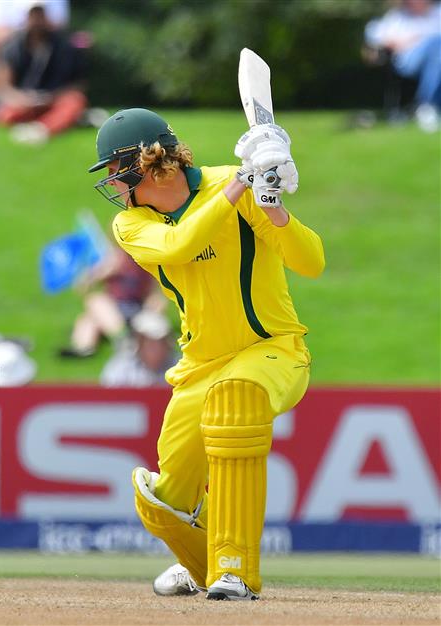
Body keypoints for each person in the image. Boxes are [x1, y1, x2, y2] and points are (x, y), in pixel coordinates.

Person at [88, 109, 324, 600]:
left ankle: (235, 569)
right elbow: (181, 242)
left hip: (272, 349)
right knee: (163, 499)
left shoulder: (235, 187)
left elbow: (312, 262)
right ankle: (201, 564)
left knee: (235, 397)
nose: (112, 181)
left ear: (144, 163)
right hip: (199, 365)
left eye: (114, 169)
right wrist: (243, 180)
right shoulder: (130, 223)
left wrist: (272, 202)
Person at [0, 3, 88, 145]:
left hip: (56, 98)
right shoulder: (12, 47)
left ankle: (42, 129)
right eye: (33, 15)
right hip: (25, 101)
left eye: (40, 15)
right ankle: (55, 121)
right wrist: (23, 99)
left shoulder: (64, 45)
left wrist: (52, 97)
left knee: (74, 102)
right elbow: (3, 88)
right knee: (5, 114)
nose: (37, 20)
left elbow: (79, 84)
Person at [58, 247, 162, 359]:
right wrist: (98, 273)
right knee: (89, 318)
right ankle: (84, 347)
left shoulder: (144, 261)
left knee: (95, 301)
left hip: (135, 309)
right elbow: (83, 286)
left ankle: (121, 339)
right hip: (113, 310)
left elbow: (155, 293)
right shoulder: (115, 258)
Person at [365, 0, 441, 132]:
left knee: (436, 55)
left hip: (436, 62)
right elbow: (375, 36)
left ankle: (427, 107)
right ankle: (427, 105)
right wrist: (409, 40)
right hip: (406, 61)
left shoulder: (437, 13)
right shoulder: (397, 17)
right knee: (435, 43)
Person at [99, 308, 176, 388]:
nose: (157, 347)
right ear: (139, 342)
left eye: (161, 341)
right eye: (149, 342)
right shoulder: (122, 366)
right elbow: (108, 394)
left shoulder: (178, 366)